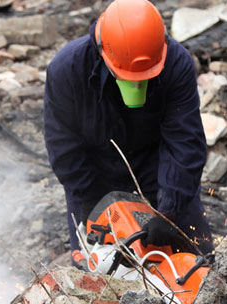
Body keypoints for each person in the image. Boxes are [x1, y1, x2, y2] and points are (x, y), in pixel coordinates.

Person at [43, 0, 213, 268]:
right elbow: (63, 146)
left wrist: (169, 212)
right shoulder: (66, 70)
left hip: (158, 169)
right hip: (94, 176)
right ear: (102, 52)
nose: (136, 83)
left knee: (194, 261)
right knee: (100, 273)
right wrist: (92, 204)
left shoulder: (176, 62)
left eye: (144, 77)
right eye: (129, 77)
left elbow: (184, 141)